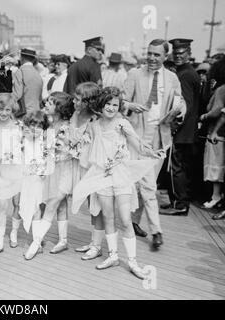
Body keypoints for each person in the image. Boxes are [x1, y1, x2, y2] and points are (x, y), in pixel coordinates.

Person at [71, 87, 164, 279]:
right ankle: (113, 255)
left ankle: (132, 261)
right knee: (108, 217)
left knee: (125, 219)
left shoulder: (122, 123)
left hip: (120, 173)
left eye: (115, 105)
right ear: (101, 105)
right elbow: (86, 143)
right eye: (108, 104)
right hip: (102, 174)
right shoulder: (95, 124)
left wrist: (150, 152)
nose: (111, 108)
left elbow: (137, 144)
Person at [123, 39, 186, 249]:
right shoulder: (134, 74)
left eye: (156, 55)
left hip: (160, 137)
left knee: (147, 183)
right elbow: (121, 101)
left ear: (165, 57)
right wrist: (130, 105)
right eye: (149, 53)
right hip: (137, 137)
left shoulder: (172, 78)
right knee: (147, 185)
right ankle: (156, 230)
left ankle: (133, 221)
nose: (151, 58)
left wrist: (180, 111)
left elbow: (180, 101)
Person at [23, 92, 75, 259]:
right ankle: (63, 239)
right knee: (56, 204)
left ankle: (36, 242)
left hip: (64, 169)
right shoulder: (49, 124)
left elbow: (69, 149)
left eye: (50, 103)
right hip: (49, 169)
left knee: (53, 203)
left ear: (59, 108)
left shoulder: (66, 127)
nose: (45, 104)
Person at [159, 39, 201, 216]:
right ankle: (177, 201)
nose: (177, 55)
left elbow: (184, 106)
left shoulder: (184, 75)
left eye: (181, 53)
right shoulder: (188, 72)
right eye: (175, 53)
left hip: (181, 130)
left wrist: (174, 127)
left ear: (189, 54)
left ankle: (180, 204)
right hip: (187, 130)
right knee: (179, 167)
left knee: (177, 168)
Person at [69, 82, 106, 261]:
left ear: (88, 102)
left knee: (97, 206)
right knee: (91, 206)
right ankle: (93, 242)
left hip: (94, 168)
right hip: (80, 166)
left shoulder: (96, 120)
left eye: (78, 99)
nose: (74, 101)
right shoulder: (76, 114)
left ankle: (98, 245)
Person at [0, 93, 23, 257]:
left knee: (17, 203)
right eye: (0, 109)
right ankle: (0, 240)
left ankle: (14, 231)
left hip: (16, 168)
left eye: (7, 110)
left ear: (12, 109)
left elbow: (24, 146)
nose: (3, 113)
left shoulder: (18, 126)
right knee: (2, 205)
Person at [20, 110, 55, 260]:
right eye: (32, 125)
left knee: (40, 207)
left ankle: (36, 242)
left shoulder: (46, 140)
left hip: (42, 178)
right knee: (33, 208)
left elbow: (50, 158)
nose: (36, 129)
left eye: (39, 126)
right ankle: (37, 243)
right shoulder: (24, 139)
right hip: (28, 178)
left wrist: (44, 170)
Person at [199, 57, 225, 209]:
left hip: (217, 133)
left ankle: (215, 196)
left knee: (215, 165)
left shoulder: (221, 89)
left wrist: (204, 116)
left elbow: (217, 110)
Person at [12, 48, 43, 117]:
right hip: (36, 113)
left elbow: (17, 94)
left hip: (24, 113)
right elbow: (40, 97)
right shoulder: (38, 74)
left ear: (21, 57)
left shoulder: (20, 71)